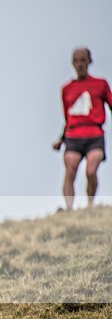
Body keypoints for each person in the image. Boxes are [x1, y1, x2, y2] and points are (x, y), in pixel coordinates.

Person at [52, 47, 112, 210]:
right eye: (76, 61)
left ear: (89, 61)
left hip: (94, 135)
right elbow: (68, 117)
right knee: (70, 168)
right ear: (72, 63)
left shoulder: (101, 84)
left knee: (91, 171)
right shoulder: (66, 89)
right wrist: (61, 139)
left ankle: (90, 206)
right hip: (73, 136)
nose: (80, 64)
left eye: (83, 60)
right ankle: (70, 209)